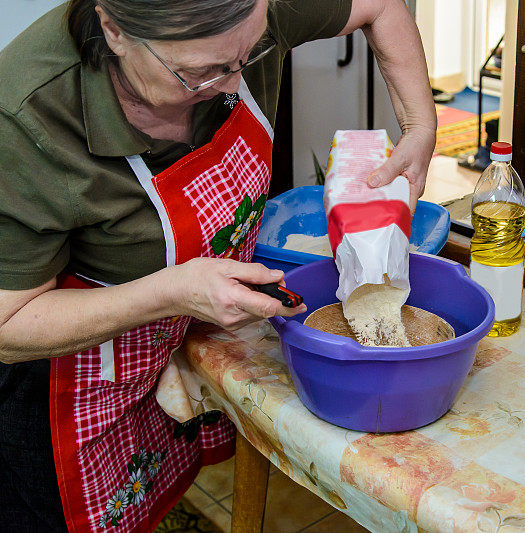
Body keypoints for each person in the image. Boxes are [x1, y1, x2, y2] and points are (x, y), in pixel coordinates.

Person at [0, 0, 436, 530]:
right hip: (63, 384)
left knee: (149, 494)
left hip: (173, 348)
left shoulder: (245, 12)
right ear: (113, 31)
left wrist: (419, 123)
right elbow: (7, 325)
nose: (233, 87)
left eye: (249, 56)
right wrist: (172, 293)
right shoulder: (25, 119)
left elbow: (382, 4)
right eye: (200, 72)